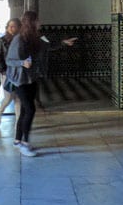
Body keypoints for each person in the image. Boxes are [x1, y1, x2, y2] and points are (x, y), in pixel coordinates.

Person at [5, 11, 76, 157]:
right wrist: (22, 63)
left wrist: (63, 43)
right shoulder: (19, 39)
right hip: (20, 80)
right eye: (37, 21)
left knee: (25, 110)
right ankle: (25, 144)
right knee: (30, 110)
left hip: (32, 78)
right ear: (31, 23)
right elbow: (8, 61)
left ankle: (17, 141)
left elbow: (48, 46)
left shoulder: (36, 38)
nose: (40, 23)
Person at [0, 17, 20, 125]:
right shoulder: (3, 40)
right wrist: (3, 70)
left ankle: (18, 125)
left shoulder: (21, 39)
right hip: (7, 72)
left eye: (13, 26)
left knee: (19, 99)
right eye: (9, 26)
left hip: (19, 72)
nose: (11, 28)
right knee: (8, 97)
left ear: (19, 27)